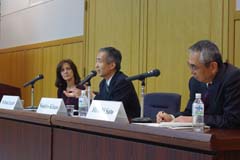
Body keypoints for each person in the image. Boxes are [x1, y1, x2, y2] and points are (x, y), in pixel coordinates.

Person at [156, 40, 240, 128]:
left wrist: (196, 119)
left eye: (194, 67)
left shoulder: (233, 78)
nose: (191, 72)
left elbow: (232, 120)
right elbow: (190, 112)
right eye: (190, 66)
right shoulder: (195, 82)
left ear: (213, 67)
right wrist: (172, 118)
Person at [94, 47, 141, 120]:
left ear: (112, 65)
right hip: (111, 123)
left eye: (99, 61)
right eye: (96, 61)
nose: (96, 66)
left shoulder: (123, 81)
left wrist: (93, 96)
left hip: (129, 125)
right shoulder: (103, 83)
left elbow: (112, 108)